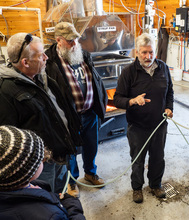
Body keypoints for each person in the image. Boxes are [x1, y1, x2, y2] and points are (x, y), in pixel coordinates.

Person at [0, 33, 82, 193]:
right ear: (25, 62)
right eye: (40, 55)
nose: (46, 57)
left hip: (59, 153)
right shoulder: (5, 91)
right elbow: (8, 139)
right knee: (47, 197)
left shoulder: (40, 77)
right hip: (40, 165)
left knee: (61, 193)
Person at [45, 22, 108, 197]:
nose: (74, 44)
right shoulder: (50, 61)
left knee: (91, 145)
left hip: (89, 112)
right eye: (70, 41)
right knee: (70, 151)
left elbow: (94, 79)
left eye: (76, 40)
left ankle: (90, 172)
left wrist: (100, 102)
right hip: (68, 117)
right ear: (59, 40)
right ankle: (72, 181)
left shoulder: (83, 54)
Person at [113, 33, 174, 203]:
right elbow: (117, 99)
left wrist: (169, 107)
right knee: (138, 160)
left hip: (159, 124)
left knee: (158, 158)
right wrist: (132, 100)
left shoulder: (163, 68)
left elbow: (170, 92)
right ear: (137, 52)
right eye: (144, 52)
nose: (148, 57)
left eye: (151, 52)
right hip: (138, 126)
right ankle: (137, 188)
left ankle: (155, 184)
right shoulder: (129, 72)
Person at [0, 125, 86, 220]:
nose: (45, 157)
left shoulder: (11, 186)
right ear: (25, 172)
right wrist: (72, 205)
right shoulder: (50, 215)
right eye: (40, 157)